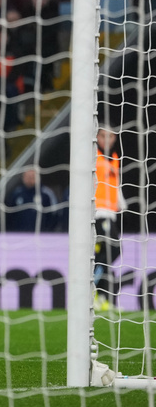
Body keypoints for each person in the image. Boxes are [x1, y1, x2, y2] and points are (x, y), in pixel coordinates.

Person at [94, 127, 123, 311]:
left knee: (104, 256)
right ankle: (94, 291)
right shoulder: (93, 155)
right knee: (113, 249)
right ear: (97, 137)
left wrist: (121, 202)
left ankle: (101, 296)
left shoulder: (114, 158)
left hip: (110, 212)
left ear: (114, 139)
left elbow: (115, 185)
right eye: (103, 135)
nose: (106, 139)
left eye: (110, 136)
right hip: (97, 212)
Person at [4, 167, 59, 233]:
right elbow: (9, 215)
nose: (30, 179)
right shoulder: (16, 193)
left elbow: (54, 215)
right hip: (19, 235)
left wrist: (47, 231)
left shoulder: (46, 194)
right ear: (23, 178)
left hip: (41, 235)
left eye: (32, 176)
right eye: (27, 176)